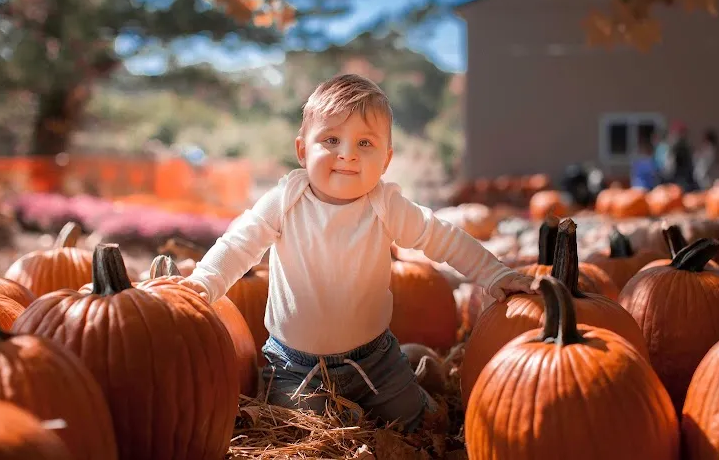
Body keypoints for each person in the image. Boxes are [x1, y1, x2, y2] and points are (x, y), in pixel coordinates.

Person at [179, 74, 536, 432]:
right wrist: (205, 282)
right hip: (295, 366)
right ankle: (347, 417)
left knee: (416, 423)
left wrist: (495, 275)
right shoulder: (286, 201)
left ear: (385, 160)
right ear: (303, 150)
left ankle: (403, 399)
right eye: (331, 139)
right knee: (301, 432)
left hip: (375, 361)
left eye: (365, 143)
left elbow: (443, 238)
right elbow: (239, 243)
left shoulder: (386, 205)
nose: (347, 153)